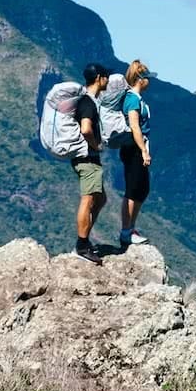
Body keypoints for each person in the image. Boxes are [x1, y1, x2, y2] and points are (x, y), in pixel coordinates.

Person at [72, 63, 109, 264]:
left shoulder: (88, 101)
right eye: (106, 76)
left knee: (100, 199)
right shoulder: (87, 102)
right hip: (87, 158)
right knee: (88, 199)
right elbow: (86, 128)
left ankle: (84, 240)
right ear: (99, 78)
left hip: (87, 158)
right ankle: (82, 246)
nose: (108, 80)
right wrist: (96, 145)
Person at [119, 59, 156, 248]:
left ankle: (131, 228)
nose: (149, 81)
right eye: (147, 78)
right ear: (141, 79)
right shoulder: (132, 99)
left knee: (142, 188)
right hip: (133, 149)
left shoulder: (138, 99)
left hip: (138, 148)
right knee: (133, 189)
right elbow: (134, 126)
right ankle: (126, 231)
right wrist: (143, 151)